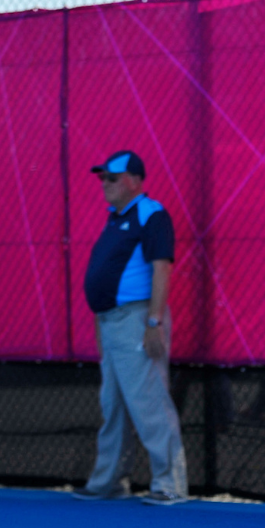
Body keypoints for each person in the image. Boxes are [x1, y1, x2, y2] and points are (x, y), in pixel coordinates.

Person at [73, 150, 189, 505]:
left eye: (111, 178)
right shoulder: (115, 217)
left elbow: (161, 269)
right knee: (114, 405)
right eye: (102, 178)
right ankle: (109, 481)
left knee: (149, 403)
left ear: (134, 180)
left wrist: (153, 321)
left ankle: (170, 484)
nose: (104, 184)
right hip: (112, 324)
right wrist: (99, 322)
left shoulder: (150, 214)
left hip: (136, 321)